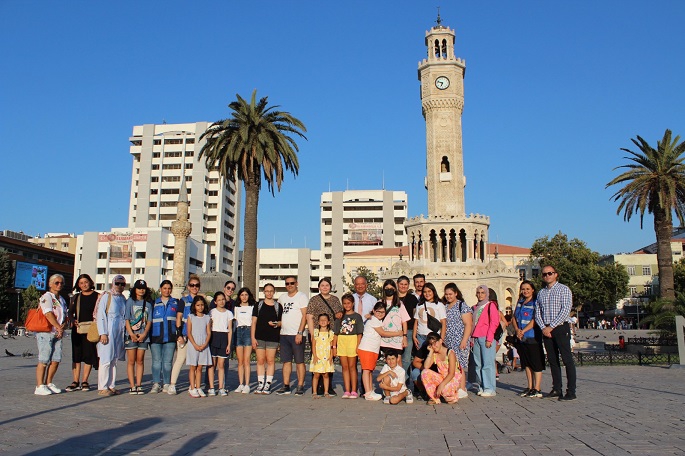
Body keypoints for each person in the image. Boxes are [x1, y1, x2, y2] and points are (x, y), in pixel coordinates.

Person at [535, 265, 577, 401]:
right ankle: (557, 388)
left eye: (550, 273)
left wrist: (551, 327)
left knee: (567, 359)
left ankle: (571, 391)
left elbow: (565, 310)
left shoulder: (564, 290)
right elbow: (537, 313)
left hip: (560, 327)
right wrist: (543, 328)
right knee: (553, 360)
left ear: (556, 274)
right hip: (546, 329)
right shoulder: (541, 293)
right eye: (544, 274)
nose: (547, 276)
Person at [357, 302, 404, 401]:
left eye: (383, 312)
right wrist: (398, 333)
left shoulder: (377, 320)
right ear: (374, 311)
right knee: (366, 370)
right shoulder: (373, 320)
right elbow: (383, 333)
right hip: (367, 348)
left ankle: (370, 390)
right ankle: (368, 392)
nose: (380, 313)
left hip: (373, 349)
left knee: (370, 370)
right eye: (378, 311)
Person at [306, 278, 343, 396]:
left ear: (330, 287)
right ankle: (316, 388)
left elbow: (339, 315)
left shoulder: (335, 300)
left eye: (327, 285)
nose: (325, 287)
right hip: (317, 334)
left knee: (328, 360)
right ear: (319, 287)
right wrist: (312, 333)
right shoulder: (314, 300)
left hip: (330, 334)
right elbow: (310, 316)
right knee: (317, 360)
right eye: (322, 285)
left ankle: (328, 387)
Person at [34, 274, 68, 396]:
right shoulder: (47, 297)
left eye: (61, 283)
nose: (59, 285)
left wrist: (62, 326)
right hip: (46, 331)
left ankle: (49, 382)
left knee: (56, 359)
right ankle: (39, 385)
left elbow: (64, 314)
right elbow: (48, 313)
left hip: (57, 332)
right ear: (50, 284)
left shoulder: (61, 299)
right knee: (44, 358)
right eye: (56, 283)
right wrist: (58, 327)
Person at [169, 274, 203, 395]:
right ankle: (172, 384)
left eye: (197, 285)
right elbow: (178, 317)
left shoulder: (201, 301)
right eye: (192, 285)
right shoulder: (183, 301)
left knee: (195, 362)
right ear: (188, 287)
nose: (195, 287)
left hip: (197, 336)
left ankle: (192, 385)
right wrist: (178, 334)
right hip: (184, 335)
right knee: (180, 359)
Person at [511, 280, 545, 398]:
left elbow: (535, 319)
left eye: (527, 289)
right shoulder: (520, 302)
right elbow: (514, 317)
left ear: (532, 290)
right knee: (526, 363)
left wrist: (524, 331)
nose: (525, 291)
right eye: (523, 289)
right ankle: (530, 386)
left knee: (535, 362)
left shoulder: (535, 302)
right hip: (521, 337)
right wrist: (517, 330)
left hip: (532, 336)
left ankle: (537, 388)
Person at [66, 274, 99, 392]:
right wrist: (72, 320)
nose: (84, 285)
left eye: (86, 282)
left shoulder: (97, 296)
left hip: (91, 329)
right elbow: (70, 312)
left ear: (90, 282)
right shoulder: (76, 297)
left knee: (89, 354)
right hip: (78, 328)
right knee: (76, 355)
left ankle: (85, 380)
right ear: (78, 285)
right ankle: (75, 381)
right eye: (81, 283)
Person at [275, 275, 308, 396]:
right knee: (286, 361)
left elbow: (304, 315)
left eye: (292, 283)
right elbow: (281, 315)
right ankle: (286, 385)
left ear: (296, 284)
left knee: (299, 361)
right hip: (284, 333)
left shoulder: (302, 296)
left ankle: (300, 385)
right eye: (287, 284)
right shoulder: (282, 297)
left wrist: (300, 332)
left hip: (297, 334)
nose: (289, 285)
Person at [96, 275, 127, 396]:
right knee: (106, 359)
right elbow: (101, 316)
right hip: (108, 330)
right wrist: (103, 333)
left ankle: (111, 385)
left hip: (119, 331)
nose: (120, 286)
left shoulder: (122, 298)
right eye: (118, 283)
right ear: (113, 283)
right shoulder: (106, 296)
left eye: (122, 284)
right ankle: (102, 386)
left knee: (114, 360)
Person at [149, 280, 182, 394]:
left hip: (170, 336)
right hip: (156, 336)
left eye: (169, 288)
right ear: (160, 289)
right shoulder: (154, 303)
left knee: (167, 362)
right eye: (164, 288)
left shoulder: (175, 303)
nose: (167, 290)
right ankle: (156, 383)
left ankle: (167, 383)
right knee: (156, 362)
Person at [442, 282, 472, 399]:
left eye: (450, 294)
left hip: (459, 340)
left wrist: (464, 340)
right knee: (452, 364)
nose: (448, 296)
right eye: (446, 294)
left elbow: (468, 324)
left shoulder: (462, 306)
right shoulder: (445, 306)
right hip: (449, 341)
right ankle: (456, 386)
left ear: (456, 293)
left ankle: (462, 388)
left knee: (460, 365)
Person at [251, 283, 283, 395]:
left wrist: (275, 324)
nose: (269, 293)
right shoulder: (258, 305)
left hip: (273, 337)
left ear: (274, 292)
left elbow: (281, 322)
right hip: (259, 336)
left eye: (271, 291)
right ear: (263, 292)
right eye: (267, 291)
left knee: (270, 360)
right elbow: (254, 322)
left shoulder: (278, 306)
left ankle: (268, 383)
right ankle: (260, 383)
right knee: (260, 360)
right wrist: (253, 337)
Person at [124, 279, 152, 394]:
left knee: (140, 360)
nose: (141, 290)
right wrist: (131, 334)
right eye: (139, 288)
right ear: (134, 289)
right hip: (131, 335)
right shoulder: (130, 301)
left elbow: (149, 320)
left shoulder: (149, 304)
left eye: (143, 288)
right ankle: (132, 385)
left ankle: (139, 384)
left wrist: (144, 334)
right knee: (131, 360)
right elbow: (126, 318)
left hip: (143, 336)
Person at [334, 293, 364, 399]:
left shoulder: (357, 317)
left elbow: (360, 333)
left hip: (353, 340)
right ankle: (347, 390)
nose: (347, 305)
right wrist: (334, 346)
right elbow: (336, 333)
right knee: (345, 367)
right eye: (345, 303)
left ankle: (354, 390)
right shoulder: (340, 316)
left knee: (352, 366)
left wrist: (358, 345)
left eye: (349, 303)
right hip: (342, 341)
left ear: (353, 303)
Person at [471, 285, 498, 397]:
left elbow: (494, 322)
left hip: (486, 337)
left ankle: (490, 388)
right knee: (478, 364)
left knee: (487, 363)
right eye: (478, 292)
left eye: (483, 292)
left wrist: (489, 338)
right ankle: (482, 385)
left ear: (487, 294)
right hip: (476, 337)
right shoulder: (475, 307)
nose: (480, 294)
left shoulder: (490, 305)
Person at [421, 332, 461, 405]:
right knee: (425, 372)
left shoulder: (450, 353)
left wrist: (441, 385)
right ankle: (434, 398)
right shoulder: (434, 354)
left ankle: (453, 396)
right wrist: (430, 352)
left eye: (435, 343)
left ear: (440, 341)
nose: (434, 346)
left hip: (452, 378)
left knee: (444, 390)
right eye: (431, 344)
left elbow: (452, 373)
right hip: (442, 377)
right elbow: (426, 367)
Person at [379, 279, 410, 365]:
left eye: (391, 288)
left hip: (397, 338)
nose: (389, 290)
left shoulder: (399, 303)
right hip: (385, 338)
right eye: (387, 288)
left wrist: (405, 336)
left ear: (395, 289)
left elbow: (404, 321)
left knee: (398, 360)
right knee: (388, 361)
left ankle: (399, 378)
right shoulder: (380, 303)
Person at [186, 296, 212, 398]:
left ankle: (198, 386)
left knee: (200, 367)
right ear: (194, 306)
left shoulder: (207, 317)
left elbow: (208, 332)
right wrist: (195, 345)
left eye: (202, 305)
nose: (200, 307)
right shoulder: (191, 317)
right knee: (193, 366)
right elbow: (189, 332)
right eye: (198, 305)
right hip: (193, 344)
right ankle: (192, 387)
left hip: (203, 343)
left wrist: (205, 344)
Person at [208, 291, 233, 396]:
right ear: (215, 301)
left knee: (221, 364)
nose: (221, 301)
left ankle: (221, 387)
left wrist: (229, 344)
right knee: (212, 364)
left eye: (223, 299)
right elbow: (209, 327)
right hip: (214, 337)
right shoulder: (212, 312)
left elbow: (230, 329)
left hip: (224, 337)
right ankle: (211, 387)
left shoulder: (229, 313)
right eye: (219, 300)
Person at [233, 287, 256, 393]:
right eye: (242, 295)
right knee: (240, 361)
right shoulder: (236, 307)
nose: (244, 297)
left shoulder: (252, 307)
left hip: (248, 331)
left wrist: (253, 336)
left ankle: (247, 384)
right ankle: (240, 384)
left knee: (247, 360)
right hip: (238, 332)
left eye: (246, 295)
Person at [413, 282, 446, 349]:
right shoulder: (419, 305)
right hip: (421, 335)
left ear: (433, 292)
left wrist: (441, 339)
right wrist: (414, 336)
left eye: (429, 291)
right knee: (421, 358)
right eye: (425, 292)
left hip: (434, 337)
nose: (427, 294)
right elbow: (416, 321)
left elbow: (443, 323)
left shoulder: (439, 305)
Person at [310, 314, 335, 398]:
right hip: (318, 356)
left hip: (327, 356)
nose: (323, 321)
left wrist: (331, 356)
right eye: (321, 320)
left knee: (326, 375)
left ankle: (326, 391)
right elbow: (313, 345)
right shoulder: (316, 332)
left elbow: (331, 346)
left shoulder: (330, 333)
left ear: (328, 322)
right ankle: (314, 392)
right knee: (316, 374)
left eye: (325, 320)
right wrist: (315, 356)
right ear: (318, 322)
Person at [397, 276, 419, 371]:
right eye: (401, 284)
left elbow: (415, 315)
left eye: (405, 284)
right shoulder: (393, 297)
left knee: (406, 358)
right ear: (397, 284)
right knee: (395, 357)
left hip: (409, 331)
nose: (403, 286)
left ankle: (403, 380)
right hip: (395, 331)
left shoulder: (412, 298)